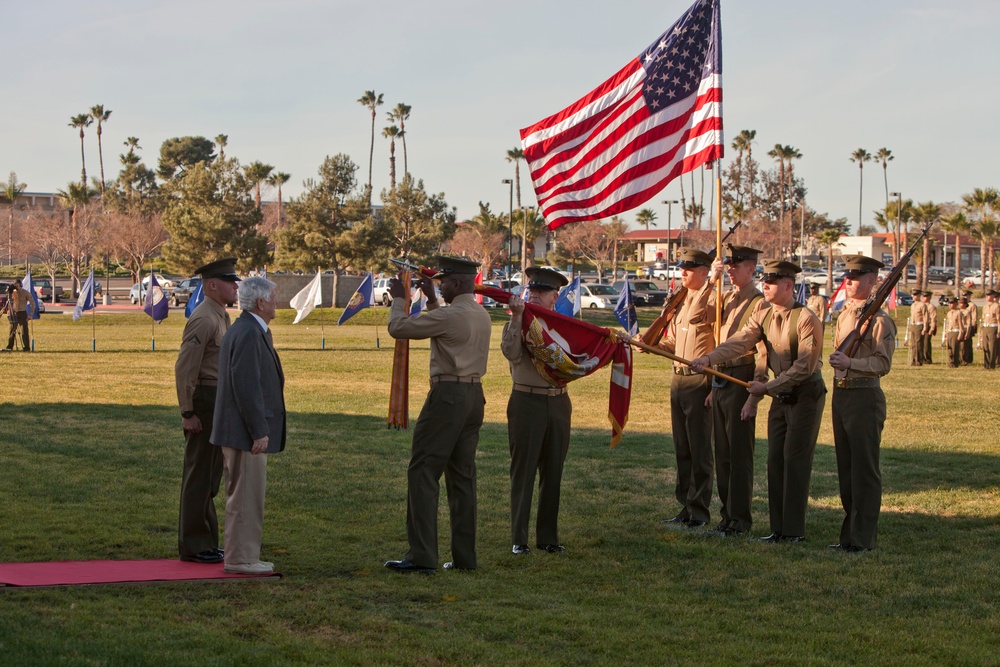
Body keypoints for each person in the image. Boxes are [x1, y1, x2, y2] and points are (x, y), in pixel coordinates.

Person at [692, 260, 826, 544]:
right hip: (779, 392)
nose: (766, 286)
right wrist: (710, 358)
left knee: (795, 460)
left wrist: (767, 387)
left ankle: (793, 531)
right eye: (765, 281)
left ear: (788, 286)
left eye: (773, 282)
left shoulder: (805, 318)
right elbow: (741, 341)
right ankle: (778, 529)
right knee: (775, 461)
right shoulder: (764, 312)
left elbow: (805, 366)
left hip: (805, 393)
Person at [384, 256, 492, 573]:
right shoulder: (479, 313)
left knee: (423, 472)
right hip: (473, 396)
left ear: (456, 283)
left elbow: (398, 328)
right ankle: (464, 559)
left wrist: (400, 300)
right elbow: (446, 326)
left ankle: (422, 556)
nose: (439, 284)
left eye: (443, 281)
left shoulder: (453, 315)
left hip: (447, 397)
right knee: (462, 478)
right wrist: (431, 299)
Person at [210, 276, 286, 575]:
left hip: (241, 430)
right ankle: (241, 559)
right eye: (274, 297)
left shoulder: (249, 329)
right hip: (244, 433)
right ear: (261, 302)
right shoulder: (249, 333)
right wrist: (259, 431)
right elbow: (246, 386)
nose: (277, 302)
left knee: (246, 496)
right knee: (245, 498)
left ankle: (244, 555)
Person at [643, 247, 716, 529]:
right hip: (679, 380)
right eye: (681, 268)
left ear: (703, 272)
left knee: (700, 450)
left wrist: (715, 387)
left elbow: (720, 345)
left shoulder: (711, 301)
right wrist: (649, 344)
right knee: (682, 448)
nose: (682, 273)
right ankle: (685, 506)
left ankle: (699, 511)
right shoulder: (683, 303)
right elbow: (673, 343)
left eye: (689, 269)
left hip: (700, 382)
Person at [174, 258, 240, 564]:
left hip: (217, 398)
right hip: (204, 400)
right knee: (199, 475)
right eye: (230, 281)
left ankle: (206, 541)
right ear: (212, 284)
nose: (235, 286)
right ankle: (194, 544)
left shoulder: (220, 314)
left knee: (210, 476)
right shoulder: (204, 318)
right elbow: (185, 367)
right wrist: (188, 411)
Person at [828, 255, 896, 552]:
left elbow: (882, 363)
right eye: (849, 276)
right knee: (846, 468)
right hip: (842, 394)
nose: (851, 281)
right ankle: (848, 535)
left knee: (864, 470)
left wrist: (850, 362)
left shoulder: (880, 320)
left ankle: (862, 538)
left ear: (872, 282)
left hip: (864, 396)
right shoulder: (845, 315)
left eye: (857, 277)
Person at [502, 267, 572, 555]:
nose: (534, 295)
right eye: (532, 290)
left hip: (558, 402)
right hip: (526, 401)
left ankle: (548, 537)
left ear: (556, 296)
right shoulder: (520, 321)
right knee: (524, 471)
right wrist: (517, 317)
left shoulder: (566, 325)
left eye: (542, 292)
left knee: (553, 471)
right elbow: (511, 353)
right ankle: (519, 537)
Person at [706, 246, 768, 537]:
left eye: (736, 267)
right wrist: (711, 280)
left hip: (742, 376)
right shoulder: (727, 296)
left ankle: (740, 520)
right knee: (722, 455)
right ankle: (726, 515)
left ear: (751, 269)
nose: (730, 271)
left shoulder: (759, 303)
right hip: (721, 377)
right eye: (728, 267)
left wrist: (753, 397)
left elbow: (763, 353)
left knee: (739, 454)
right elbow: (700, 318)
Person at [5, 278, 31, 352]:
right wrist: (8, 312)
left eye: (18, 285)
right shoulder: (12, 293)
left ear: (21, 285)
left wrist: (30, 314)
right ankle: (9, 346)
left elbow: (32, 303)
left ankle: (26, 347)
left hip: (22, 313)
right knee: (12, 330)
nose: (16, 287)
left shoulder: (25, 293)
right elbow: (9, 303)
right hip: (13, 313)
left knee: (24, 331)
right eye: (15, 285)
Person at [943, 297, 966, 368]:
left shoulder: (958, 313)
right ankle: (950, 362)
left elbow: (961, 324)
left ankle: (955, 363)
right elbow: (947, 323)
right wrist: (946, 333)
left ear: (956, 303)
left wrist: (961, 333)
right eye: (950, 303)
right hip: (950, 331)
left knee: (955, 348)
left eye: (952, 303)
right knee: (949, 349)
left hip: (956, 331)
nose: (951, 305)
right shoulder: (949, 313)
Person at [907, 290, 926, 366]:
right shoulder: (913, 305)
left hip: (919, 324)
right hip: (913, 324)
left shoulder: (922, 305)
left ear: (919, 295)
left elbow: (925, 316)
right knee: (913, 344)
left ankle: (918, 360)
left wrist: (925, 327)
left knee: (918, 343)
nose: (914, 296)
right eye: (913, 295)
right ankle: (913, 359)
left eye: (916, 295)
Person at [982, 290, 999, 369]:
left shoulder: (996, 306)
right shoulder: (985, 307)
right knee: (985, 346)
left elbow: (999, 320)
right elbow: (983, 319)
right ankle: (986, 364)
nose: (988, 297)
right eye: (987, 295)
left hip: (993, 327)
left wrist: (999, 331)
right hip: (986, 327)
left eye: (990, 295)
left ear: (993, 296)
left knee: (992, 347)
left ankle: (991, 364)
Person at [920, 291, 938, 364]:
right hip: (921, 325)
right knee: (920, 343)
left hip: (929, 325)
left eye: (927, 296)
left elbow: (933, 318)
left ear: (930, 297)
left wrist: (932, 328)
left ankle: (927, 358)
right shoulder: (921, 305)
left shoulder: (931, 306)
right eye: (924, 296)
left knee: (926, 343)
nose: (925, 298)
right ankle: (921, 357)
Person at [960, 291, 977, 365]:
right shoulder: (961, 304)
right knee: (962, 344)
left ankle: (968, 359)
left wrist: (973, 326)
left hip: (969, 326)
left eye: (967, 296)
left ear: (970, 296)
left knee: (968, 344)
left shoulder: (972, 305)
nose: (966, 297)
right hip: (961, 327)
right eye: (964, 296)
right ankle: (962, 358)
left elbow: (974, 317)